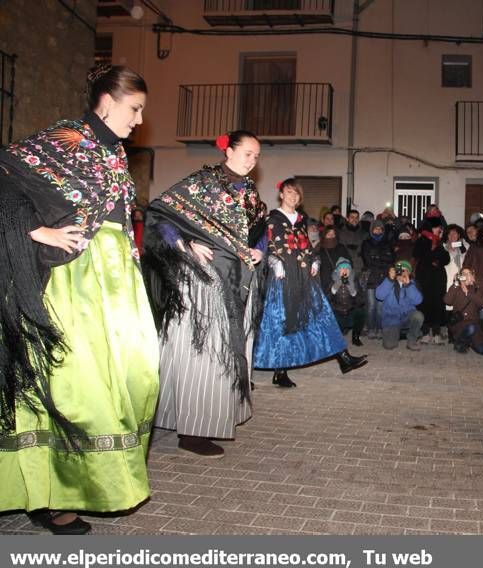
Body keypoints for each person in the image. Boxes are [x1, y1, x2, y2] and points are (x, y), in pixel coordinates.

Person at [0, 65, 158, 534]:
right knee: (76, 382)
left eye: (142, 111)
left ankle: (92, 476)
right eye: (135, 109)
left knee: (136, 370)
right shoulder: (66, 137)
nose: (139, 119)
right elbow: (7, 176)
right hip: (77, 278)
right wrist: (37, 230)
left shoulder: (115, 154)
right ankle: (51, 495)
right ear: (106, 101)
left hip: (117, 278)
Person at [143, 130, 267, 458]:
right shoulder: (203, 183)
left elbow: (259, 233)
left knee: (226, 351)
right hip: (205, 280)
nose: (252, 161)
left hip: (238, 279)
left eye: (257, 156)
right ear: (228, 151)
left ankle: (202, 418)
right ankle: (193, 431)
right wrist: (187, 244)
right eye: (247, 154)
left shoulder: (252, 194)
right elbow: (161, 214)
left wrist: (259, 252)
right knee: (202, 353)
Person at [253, 179, 367, 387]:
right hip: (283, 277)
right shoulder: (272, 219)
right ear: (281, 195)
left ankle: (343, 358)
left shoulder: (301, 219)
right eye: (289, 192)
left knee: (322, 314)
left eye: (296, 194)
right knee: (282, 323)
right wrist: (275, 263)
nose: (293, 197)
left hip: (304, 276)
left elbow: (306, 246)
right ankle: (280, 371)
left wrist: (315, 260)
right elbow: (268, 246)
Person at [414, 216, 450, 344]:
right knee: (424, 303)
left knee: (438, 304)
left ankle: (436, 332)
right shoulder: (421, 240)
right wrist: (433, 258)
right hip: (424, 278)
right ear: (430, 227)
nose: (439, 229)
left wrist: (437, 260)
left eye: (440, 227)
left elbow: (446, 258)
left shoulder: (439, 241)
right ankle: (424, 333)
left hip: (438, 279)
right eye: (437, 227)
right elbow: (418, 254)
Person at [375, 260, 424, 350]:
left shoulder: (412, 284)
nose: (402, 274)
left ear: (409, 273)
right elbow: (379, 296)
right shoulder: (389, 282)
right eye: (400, 271)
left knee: (418, 316)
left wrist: (408, 285)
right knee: (389, 345)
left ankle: (411, 341)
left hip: (406, 317)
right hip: (391, 319)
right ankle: (400, 333)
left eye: (405, 271)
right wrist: (389, 280)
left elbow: (418, 301)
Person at [361, 219, 396, 339]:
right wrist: (381, 259)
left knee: (381, 307)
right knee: (371, 306)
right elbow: (367, 261)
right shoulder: (366, 243)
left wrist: (377, 258)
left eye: (380, 228)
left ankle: (380, 328)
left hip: (383, 279)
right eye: (376, 228)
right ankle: (371, 329)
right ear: (371, 229)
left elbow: (391, 260)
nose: (378, 230)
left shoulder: (387, 243)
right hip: (370, 277)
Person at [444, 267, 483, 355]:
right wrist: (456, 284)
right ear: (460, 276)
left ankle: (470, 342)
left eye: (469, 273)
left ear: (472, 276)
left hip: (474, 326)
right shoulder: (456, 288)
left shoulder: (476, 289)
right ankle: (460, 341)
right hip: (460, 324)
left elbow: (482, 303)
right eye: (464, 274)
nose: (466, 276)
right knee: (471, 328)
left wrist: (468, 292)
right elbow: (447, 301)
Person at [327, 257, 366, 347]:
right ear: (337, 271)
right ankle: (338, 334)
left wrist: (353, 292)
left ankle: (355, 337)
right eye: (342, 268)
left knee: (361, 312)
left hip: (350, 311)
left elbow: (361, 301)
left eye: (347, 268)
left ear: (350, 271)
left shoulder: (355, 281)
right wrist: (334, 288)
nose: (344, 271)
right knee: (333, 322)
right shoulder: (332, 281)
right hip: (338, 312)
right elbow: (327, 300)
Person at [339, 208, 367, 277]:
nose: (355, 220)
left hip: (361, 268)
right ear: (347, 218)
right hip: (347, 267)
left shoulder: (364, 233)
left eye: (357, 217)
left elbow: (366, 251)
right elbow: (341, 251)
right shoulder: (341, 233)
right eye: (352, 217)